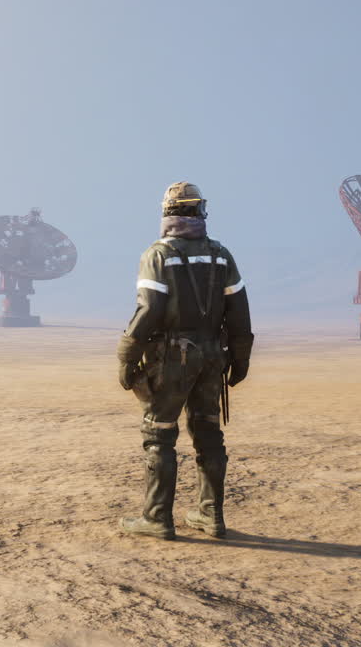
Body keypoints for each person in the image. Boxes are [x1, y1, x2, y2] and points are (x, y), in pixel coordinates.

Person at [116, 182, 253, 540]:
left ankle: (157, 518)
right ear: (200, 211)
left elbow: (149, 310)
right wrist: (240, 358)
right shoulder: (221, 255)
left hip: (172, 359)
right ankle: (211, 515)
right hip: (212, 357)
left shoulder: (159, 254)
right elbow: (239, 310)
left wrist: (127, 355)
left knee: (159, 434)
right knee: (208, 432)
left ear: (167, 212)